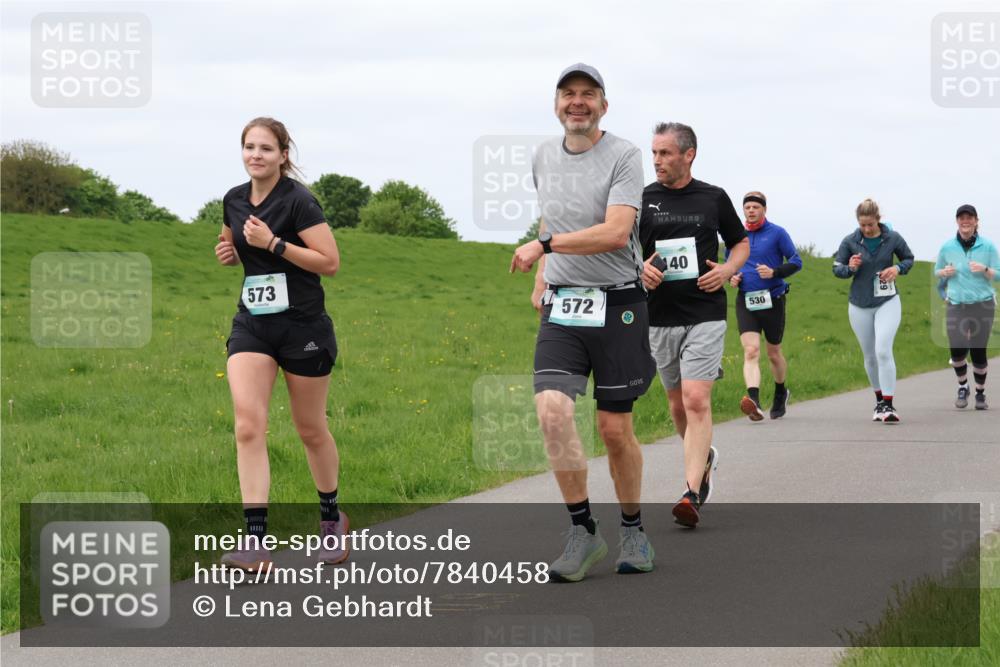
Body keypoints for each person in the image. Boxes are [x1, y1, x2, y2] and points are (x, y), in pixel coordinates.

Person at [510, 64, 656, 580]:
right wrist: (542, 276)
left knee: (614, 429)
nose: (578, 102)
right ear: (556, 105)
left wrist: (543, 247)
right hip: (564, 305)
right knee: (551, 411)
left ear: (603, 105)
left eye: (588, 94)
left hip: (618, 303)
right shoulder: (543, 156)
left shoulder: (625, 156)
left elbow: (617, 232)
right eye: (568, 94)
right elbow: (554, 215)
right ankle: (583, 531)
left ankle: (634, 530)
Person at [214, 117, 346, 571]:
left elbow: (329, 262)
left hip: (303, 327)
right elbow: (231, 242)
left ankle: (331, 520)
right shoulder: (232, 199)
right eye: (249, 146)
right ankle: (255, 541)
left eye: (266, 148)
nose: (256, 155)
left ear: (283, 155)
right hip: (253, 324)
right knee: (248, 425)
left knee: (310, 428)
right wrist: (229, 252)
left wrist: (273, 243)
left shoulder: (299, 201)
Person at [639, 122, 749, 528]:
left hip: (704, 311)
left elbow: (740, 242)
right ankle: (704, 460)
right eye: (653, 153)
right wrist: (640, 271)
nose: (657, 161)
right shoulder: (641, 199)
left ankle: (690, 492)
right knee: (675, 403)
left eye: (665, 153)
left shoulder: (713, 198)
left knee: (696, 399)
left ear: (689, 154)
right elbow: (625, 249)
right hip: (659, 316)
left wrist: (727, 269)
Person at [832, 198, 914, 423]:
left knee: (883, 351)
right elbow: (837, 269)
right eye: (862, 225)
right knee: (869, 356)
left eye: (870, 224)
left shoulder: (893, 238)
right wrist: (850, 267)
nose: (867, 229)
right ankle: (879, 401)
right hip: (859, 304)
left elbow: (909, 259)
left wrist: (897, 268)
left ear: (878, 220)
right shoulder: (850, 241)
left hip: (887, 301)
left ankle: (889, 405)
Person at [729, 192, 802, 421]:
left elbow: (796, 262)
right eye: (747, 207)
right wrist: (733, 277)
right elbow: (730, 265)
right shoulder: (735, 236)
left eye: (755, 207)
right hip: (746, 300)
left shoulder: (777, 233)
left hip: (773, 299)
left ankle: (781, 392)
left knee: (773, 353)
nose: (751, 210)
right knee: (751, 351)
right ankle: (755, 402)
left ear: (764, 209)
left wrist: (775, 272)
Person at [935, 204, 998, 410]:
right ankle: (963, 386)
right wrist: (944, 273)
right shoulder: (947, 247)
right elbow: (938, 271)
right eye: (961, 218)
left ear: (976, 221)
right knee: (957, 348)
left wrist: (985, 269)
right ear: (957, 221)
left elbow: (998, 273)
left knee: (978, 351)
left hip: (983, 304)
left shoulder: (987, 246)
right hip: (957, 305)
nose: (965, 221)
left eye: (969, 217)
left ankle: (980, 393)